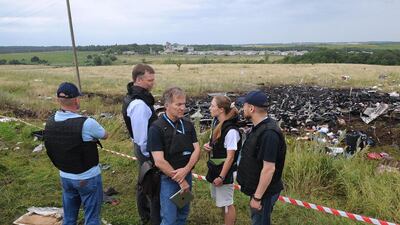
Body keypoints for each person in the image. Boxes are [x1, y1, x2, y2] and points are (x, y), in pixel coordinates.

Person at [44, 82, 108, 225]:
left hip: (65, 176)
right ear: (76, 100)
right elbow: (105, 135)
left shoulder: (50, 121)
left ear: (58, 100)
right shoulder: (87, 123)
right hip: (87, 177)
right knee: (91, 218)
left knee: (69, 218)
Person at [148, 87, 200, 225]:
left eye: (184, 104)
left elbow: (196, 150)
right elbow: (159, 161)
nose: (183, 108)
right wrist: (180, 180)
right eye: (178, 104)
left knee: (182, 214)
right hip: (168, 180)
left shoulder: (188, 125)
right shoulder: (156, 128)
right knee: (169, 219)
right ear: (166, 105)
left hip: (186, 175)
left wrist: (186, 170)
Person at [236, 91, 287, 225]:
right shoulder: (259, 128)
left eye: (244, 106)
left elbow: (269, 169)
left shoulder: (269, 134)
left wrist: (257, 198)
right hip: (259, 189)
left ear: (251, 108)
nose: (242, 109)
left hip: (264, 193)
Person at [121, 64, 160, 225]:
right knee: (148, 183)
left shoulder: (136, 96)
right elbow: (141, 136)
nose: (152, 83)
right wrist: (150, 156)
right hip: (146, 149)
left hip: (142, 146)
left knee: (145, 180)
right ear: (138, 79)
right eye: (149, 80)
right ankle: (149, 217)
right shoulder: (139, 104)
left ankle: (148, 215)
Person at [203, 95, 241, 225]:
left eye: (212, 106)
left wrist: (221, 177)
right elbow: (221, 149)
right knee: (222, 202)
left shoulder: (231, 131)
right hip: (217, 168)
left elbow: (230, 157)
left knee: (227, 204)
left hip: (224, 172)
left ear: (220, 109)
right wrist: (210, 147)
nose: (209, 108)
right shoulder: (218, 124)